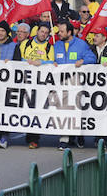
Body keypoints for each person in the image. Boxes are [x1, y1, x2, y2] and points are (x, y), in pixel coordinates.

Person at [53, 20, 96, 150]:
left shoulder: (81, 45)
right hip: (61, 85)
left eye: (61, 31)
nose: (59, 34)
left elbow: (92, 58)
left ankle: (78, 136)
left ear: (69, 32)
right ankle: (64, 139)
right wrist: (51, 63)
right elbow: (50, 59)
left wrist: (83, 60)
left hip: (77, 84)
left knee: (77, 111)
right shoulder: (57, 45)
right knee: (63, 111)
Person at [19, 21, 54, 149]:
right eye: (41, 31)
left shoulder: (49, 47)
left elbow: (52, 62)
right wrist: (27, 61)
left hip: (40, 84)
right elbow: (18, 59)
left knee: (36, 109)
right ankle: (29, 135)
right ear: (37, 32)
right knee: (26, 108)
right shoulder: (26, 44)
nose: (43, 34)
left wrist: (41, 63)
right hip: (25, 81)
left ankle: (34, 138)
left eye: (46, 33)